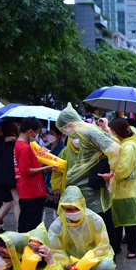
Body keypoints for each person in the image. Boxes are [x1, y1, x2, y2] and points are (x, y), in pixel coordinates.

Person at [56, 103, 122, 252]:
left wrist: (111, 172)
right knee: (100, 218)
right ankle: (108, 250)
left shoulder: (88, 132)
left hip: (90, 185)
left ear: (68, 124)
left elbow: (115, 148)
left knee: (100, 219)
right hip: (87, 182)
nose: (67, 133)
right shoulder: (85, 132)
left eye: (65, 129)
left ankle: (108, 253)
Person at [47, 186, 116, 270]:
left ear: (82, 205)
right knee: (53, 268)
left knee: (106, 266)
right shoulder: (57, 225)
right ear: (62, 208)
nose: (74, 212)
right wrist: (66, 264)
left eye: (76, 208)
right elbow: (55, 249)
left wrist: (88, 262)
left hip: (94, 260)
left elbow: (103, 245)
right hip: (70, 262)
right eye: (69, 209)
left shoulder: (95, 219)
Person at [107, 118, 136, 259]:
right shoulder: (125, 144)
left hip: (127, 190)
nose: (111, 133)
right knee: (117, 221)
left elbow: (123, 169)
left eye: (112, 131)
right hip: (121, 190)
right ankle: (117, 246)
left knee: (130, 222)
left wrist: (110, 172)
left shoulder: (129, 146)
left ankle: (133, 248)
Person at [14, 117, 57, 233]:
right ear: (30, 131)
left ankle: (23, 245)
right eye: (36, 133)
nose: (36, 135)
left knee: (25, 221)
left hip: (26, 189)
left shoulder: (19, 144)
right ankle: (30, 247)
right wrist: (44, 168)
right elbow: (25, 171)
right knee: (32, 225)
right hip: (32, 191)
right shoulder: (24, 148)